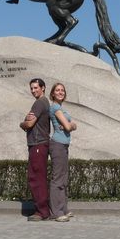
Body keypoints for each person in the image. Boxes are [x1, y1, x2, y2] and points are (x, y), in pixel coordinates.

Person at [20, 78, 50, 220]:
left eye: (36, 88)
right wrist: (26, 120)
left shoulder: (39, 103)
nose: (33, 91)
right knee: (37, 177)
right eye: (31, 88)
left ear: (43, 88)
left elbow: (30, 123)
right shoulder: (42, 102)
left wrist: (22, 123)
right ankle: (42, 210)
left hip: (38, 144)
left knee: (36, 178)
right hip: (37, 144)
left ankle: (42, 212)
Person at [48, 82, 77, 222]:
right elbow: (68, 125)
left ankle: (63, 208)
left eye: (62, 90)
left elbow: (73, 125)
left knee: (63, 179)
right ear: (52, 93)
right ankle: (56, 212)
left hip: (64, 146)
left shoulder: (61, 108)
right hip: (58, 145)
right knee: (57, 179)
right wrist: (69, 125)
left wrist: (70, 125)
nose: (60, 92)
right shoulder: (55, 107)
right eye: (57, 90)